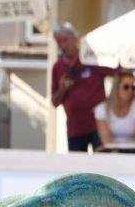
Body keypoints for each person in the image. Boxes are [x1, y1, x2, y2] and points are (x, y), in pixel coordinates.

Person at [50, 23, 117, 152]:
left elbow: (117, 72)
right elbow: (54, 102)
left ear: (75, 39)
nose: (62, 45)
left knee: (103, 161)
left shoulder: (92, 58)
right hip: (75, 129)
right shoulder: (57, 67)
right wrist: (63, 89)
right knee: (77, 163)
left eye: (65, 40)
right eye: (58, 42)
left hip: (98, 126)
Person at [94, 71, 135, 146]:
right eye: (126, 87)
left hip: (133, 150)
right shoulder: (102, 109)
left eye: (133, 88)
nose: (130, 91)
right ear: (116, 88)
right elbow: (106, 142)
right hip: (110, 151)